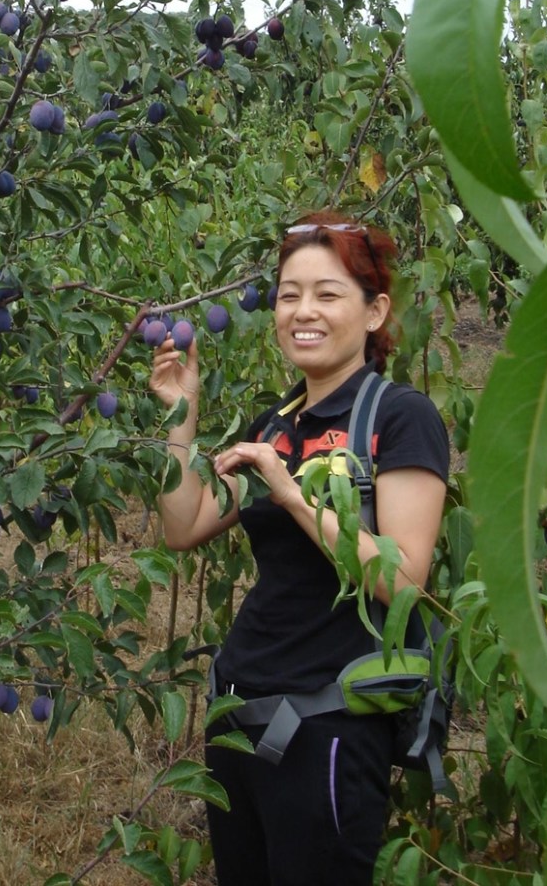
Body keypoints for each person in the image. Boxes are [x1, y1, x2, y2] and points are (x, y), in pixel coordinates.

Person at [149, 212, 449, 886]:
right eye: (289, 294)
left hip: (328, 730)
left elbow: (405, 583)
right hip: (238, 720)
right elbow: (184, 524)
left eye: (327, 293)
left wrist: (292, 494)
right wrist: (180, 413)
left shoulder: (400, 419)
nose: (302, 312)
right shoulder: (276, 425)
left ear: (374, 313)